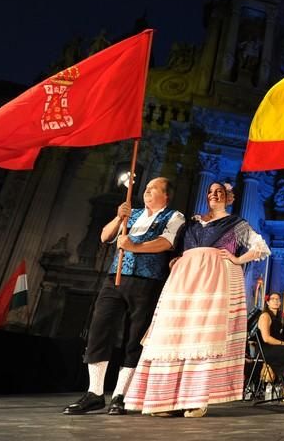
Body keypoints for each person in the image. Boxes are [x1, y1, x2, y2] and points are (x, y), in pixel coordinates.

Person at [124, 181, 269, 417]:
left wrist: (237, 260)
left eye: (220, 192)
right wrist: (176, 259)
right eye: (211, 192)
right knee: (175, 332)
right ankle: (164, 400)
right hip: (185, 277)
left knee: (202, 333)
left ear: (229, 197)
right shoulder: (192, 221)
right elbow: (176, 247)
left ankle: (196, 398)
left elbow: (259, 247)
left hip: (214, 278)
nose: (214, 195)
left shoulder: (235, 223)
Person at [63, 178, 185, 415]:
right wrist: (119, 217)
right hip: (115, 279)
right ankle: (95, 392)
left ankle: (120, 395)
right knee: (100, 328)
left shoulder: (174, 216)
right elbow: (104, 237)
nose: (146, 192)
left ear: (166, 196)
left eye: (153, 189)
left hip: (147, 282)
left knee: (134, 337)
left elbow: (165, 243)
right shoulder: (133, 214)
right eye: (146, 188)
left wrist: (134, 247)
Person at [257, 292, 284, 395]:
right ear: (267, 302)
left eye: (278, 299)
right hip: (267, 349)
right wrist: (283, 343)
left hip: (276, 347)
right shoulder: (265, 316)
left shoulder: (278, 317)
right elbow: (266, 338)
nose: (276, 301)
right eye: (273, 299)